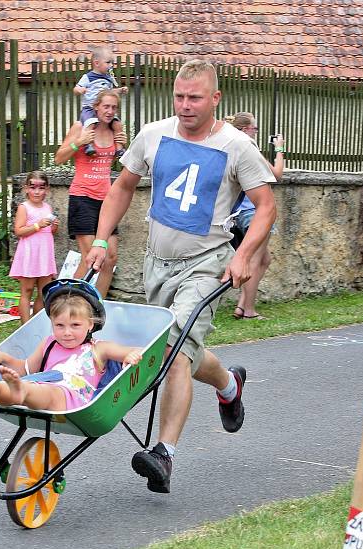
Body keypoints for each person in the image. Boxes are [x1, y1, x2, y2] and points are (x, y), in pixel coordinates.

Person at [86, 59, 277, 494]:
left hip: (207, 262)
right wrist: (100, 240)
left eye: (195, 97)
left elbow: (265, 206)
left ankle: (164, 454)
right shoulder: (154, 134)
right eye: (179, 96)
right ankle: (229, 384)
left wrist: (243, 254)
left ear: (216, 99)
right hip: (157, 263)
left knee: (173, 346)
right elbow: (121, 187)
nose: (186, 106)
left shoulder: (236, 146)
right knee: (178, 349)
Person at [0, 279, 142, 412]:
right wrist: (4, 357)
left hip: (72, 396)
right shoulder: (48, 344)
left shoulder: (98, 348)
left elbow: (131, 351)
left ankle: (18, 391)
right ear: (52, 323)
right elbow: (26, 369)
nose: (67, 332)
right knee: (33, 386)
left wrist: (130, 355)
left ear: (90, 324)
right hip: (42, 385)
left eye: (75, 325)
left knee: (49, 392)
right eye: (60, 326)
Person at [54, 89, 127, 298]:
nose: (110, 111)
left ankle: (97, 307)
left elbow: (122, 162)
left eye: (114, 107)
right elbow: (58, 158)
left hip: (106, 201)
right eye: (106, 106)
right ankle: (68, 302)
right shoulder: (81, 127)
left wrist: (125, 144)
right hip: (82, 198)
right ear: (96, 106)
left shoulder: (115, 131)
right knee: (90, 257)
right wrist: (80, 141)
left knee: (111, 257)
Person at [226, 111, 284, 319]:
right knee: (253, 260)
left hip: (236, 212)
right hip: (253, 212)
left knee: (264, 259)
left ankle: (242, 303)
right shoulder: (248, 148)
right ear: (245, 130)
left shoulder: (229, 146)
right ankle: (248, 310)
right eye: (254, 128)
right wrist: (279, 149)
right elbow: (277, 174)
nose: (256, 132)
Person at [9, 171, 59, 325]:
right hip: (30, 253)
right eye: (33, 187)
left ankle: (35, 324)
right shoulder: (24, 207)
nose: (37, 192)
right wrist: (37, 225)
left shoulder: (48, 208)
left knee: (44, 292)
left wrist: (54, 227)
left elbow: (49, 232)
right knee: (27, 290)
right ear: (26, 189)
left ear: (47, 189)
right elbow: (19, 231)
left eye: (41, 188)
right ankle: (24, 325)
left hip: (44, 253)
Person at [72, 47, 127, 159]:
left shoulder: (108, 79)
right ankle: (89, 146)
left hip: (104, 110)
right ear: (96, 63)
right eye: (108, 62)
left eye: (112, 63)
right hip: (90, 108)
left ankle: (119, 149)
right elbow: (76, 89)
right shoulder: (88, 77)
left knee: (118, 124)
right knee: (90, 124)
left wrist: (120, 90)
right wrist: (80, 90)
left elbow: (110, 93)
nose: (111, 65)